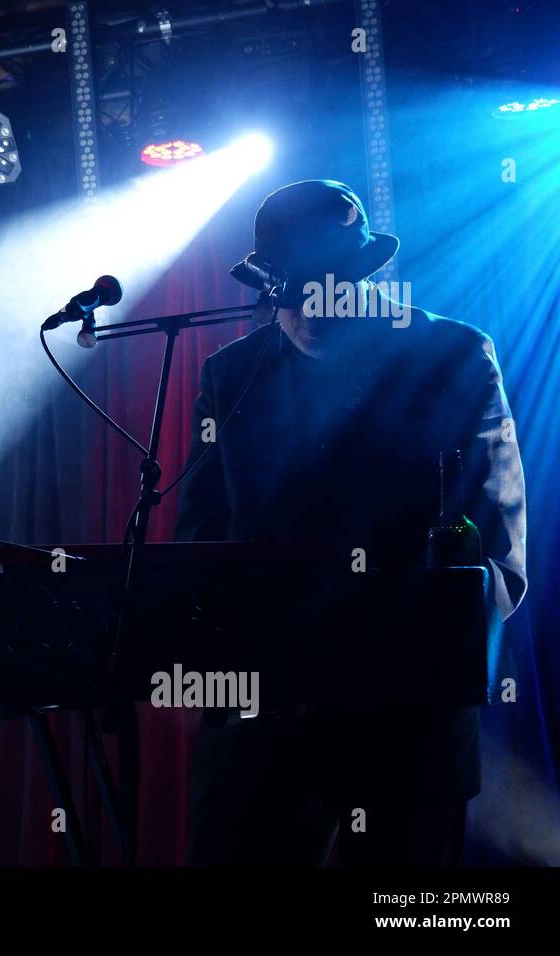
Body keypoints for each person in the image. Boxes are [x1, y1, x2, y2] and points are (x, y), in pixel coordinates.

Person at [176, 180, 526, 865]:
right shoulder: (231, 375)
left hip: (408, 713)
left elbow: (497, 550)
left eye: (324, 285)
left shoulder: (452, 356)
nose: (309, 307)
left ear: (363, 279)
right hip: (262, 718)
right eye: (292, 289)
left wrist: (415, 639)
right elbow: (200, 539)